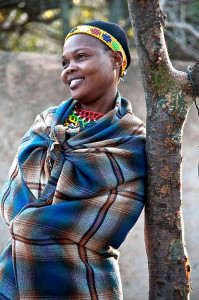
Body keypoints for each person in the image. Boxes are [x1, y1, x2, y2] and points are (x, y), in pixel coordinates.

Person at [0, 21, 146, 299]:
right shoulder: (44, 125)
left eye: (81, 57)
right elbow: (11, 203)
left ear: (116, 60)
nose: (69, 69)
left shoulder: (132, 142)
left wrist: (33, 220)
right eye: (65, 62)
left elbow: (107, 225)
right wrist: (36, 219)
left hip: (87, 283)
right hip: (17, 272)